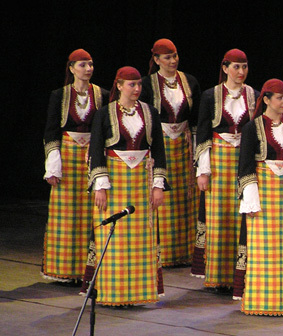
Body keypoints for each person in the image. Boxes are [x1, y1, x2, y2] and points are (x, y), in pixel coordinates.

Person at [87, 67, 167, 306]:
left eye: (139, 85)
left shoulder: (150, 112)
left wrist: (158, 185)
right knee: (114, 239)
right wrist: (100, 185)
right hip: (114, 181)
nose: (137, 89)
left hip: (141, 183)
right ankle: (112, 292)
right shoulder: (104, 114)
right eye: (131, 85)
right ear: (119, 86)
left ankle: (138, 293)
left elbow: (159, 150)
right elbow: (96, 150)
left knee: (141, 239)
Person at [233, 79, 283, 315]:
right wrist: (251, 200)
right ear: (266, 100)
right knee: (263, 247)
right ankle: (261, 301)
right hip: (264, 191)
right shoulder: (252, 127)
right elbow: (246, 165)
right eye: (279, 98)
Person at [42, 49, 109, 283]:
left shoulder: (102, 94)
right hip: (69, 157)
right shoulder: (59, 95)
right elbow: (52, 130)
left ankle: (90, 268)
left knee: (92, 213)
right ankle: (66, 269)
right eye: (83, 65)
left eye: (90, 64)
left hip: (92, 157)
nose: (88, 68)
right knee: (68, 214)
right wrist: (53, 164)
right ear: (71, 68)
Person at [195, 49, 258, 291]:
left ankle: (242, 272)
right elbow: (202, 132)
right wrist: (203, 170)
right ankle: (219, 275)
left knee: (244, 215)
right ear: (224, 68)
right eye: (236, 67)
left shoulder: (255, 95)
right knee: (220, 215)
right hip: (220, 161)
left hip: (245, 159)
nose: (241, 72)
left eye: (244, 67)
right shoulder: (211, 96)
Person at [140, 38, 201, 267]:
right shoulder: (147, 84)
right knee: (162, 196)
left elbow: (194, 119)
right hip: (160, 143)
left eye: (175, 56)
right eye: (167, 57)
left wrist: (196, 149)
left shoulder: (190, 81)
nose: (173, 61)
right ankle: (161, 253)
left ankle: (185, 252)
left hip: (183, 145)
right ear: (156, 60)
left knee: (185, 198)